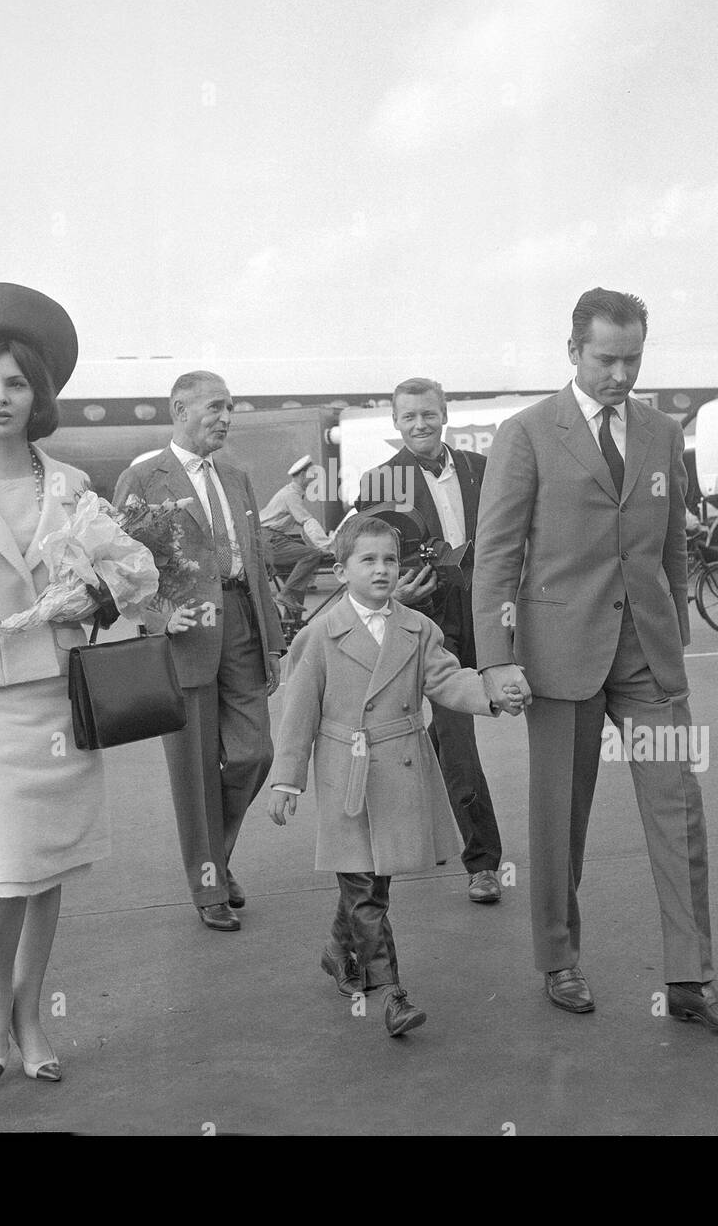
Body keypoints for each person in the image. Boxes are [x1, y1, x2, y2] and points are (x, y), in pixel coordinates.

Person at [0, 284, 175, 1084]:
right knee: (0, 868)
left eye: (16, 383)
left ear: (38, 395)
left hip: (59, 696)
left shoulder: (74, 485)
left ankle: (31, 1006)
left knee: (46, 865)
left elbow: (127, 579)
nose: (1, 397)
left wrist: (107, 594)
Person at [473, 288, 718, 1035]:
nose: (621, 374)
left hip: (648, 659)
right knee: (560, 818)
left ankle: (693, 976)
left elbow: (670, 547)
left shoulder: (662, 433)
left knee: (679, 814)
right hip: (559, 658)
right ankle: (558, 957)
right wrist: (496, 658)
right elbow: (497, 558)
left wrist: (675, 638)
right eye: (607, 359)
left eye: (633, 359)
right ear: (573, 352)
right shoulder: (527, 434)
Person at [267, 517, 519, 1035]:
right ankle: (392, 994)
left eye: (389, 559)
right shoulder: (319, 636)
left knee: (371, 881)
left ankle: (338, 950)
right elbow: (298, 714)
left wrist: (491, 694)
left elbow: (446, 680)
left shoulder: (418, 628)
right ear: (341, 570)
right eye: (367, 560)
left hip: (400, 767)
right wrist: (286, 780)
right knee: (366, 890)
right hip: (348, 778)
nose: (381, 570)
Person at [113, 371, 284, 932]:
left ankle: (220, 854)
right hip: (182, 634)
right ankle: (208, 885)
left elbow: (255, 561)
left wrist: (273, 640)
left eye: (230, 407)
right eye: (214, 407)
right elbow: (119, 568)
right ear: (179, 409)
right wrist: (161, 615)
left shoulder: (236, 476)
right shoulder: (143, 477)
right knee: (193, 772)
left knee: (252, 753)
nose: (225, 417)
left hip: (239, 623)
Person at [355, 378, 506, 905]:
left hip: (482, 614)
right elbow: (362, 556)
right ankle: (469, 861)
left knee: (452, 734)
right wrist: (395, 588)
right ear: (395, 423)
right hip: (417, 620)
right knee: (435, 737)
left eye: (428, 414)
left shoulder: (480, 469)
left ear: (445, 414)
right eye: (408, 417)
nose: (420, 424)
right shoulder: (379, 482)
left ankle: (477, 858)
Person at [258, 455, 331, 617]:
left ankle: (292, 624)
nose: (314, 477)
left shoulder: (293, 494)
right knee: (311, 556)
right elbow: (307, 521)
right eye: (312, 474)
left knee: (298, 581)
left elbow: (303, 528)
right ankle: (284, 595)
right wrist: (325, 546)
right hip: (269, 539)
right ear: (302, 474)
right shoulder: (290, 495)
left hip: (271, 538)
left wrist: (317, 545)